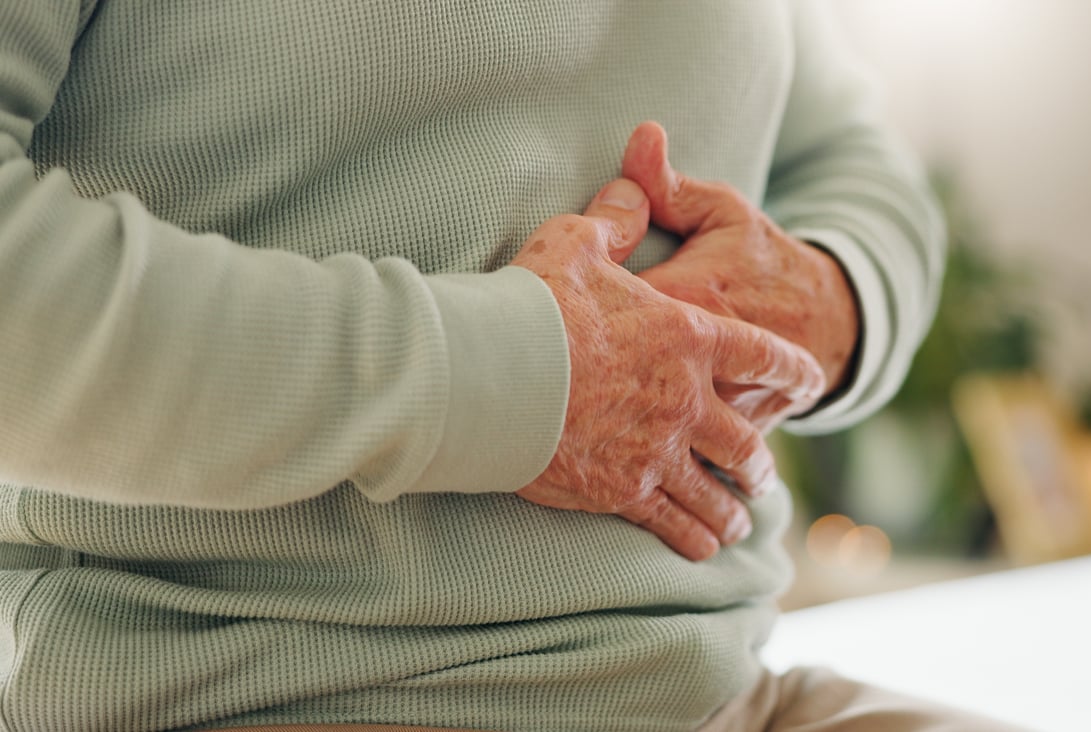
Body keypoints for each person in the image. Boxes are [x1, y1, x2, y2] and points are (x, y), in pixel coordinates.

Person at [0, 1, 1018, 730]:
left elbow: (850, 159)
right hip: (256, 691)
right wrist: (518, 380)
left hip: (726, 698)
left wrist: (834, 296)